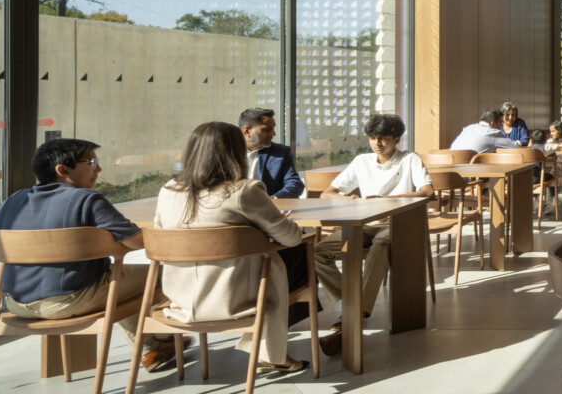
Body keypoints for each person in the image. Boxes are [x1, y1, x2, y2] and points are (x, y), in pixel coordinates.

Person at [0, 138, 176, 373]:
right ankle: (160, 341)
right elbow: (136, 241)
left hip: (16, 304)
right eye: (91, 162)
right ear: (63, 170)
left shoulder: (11, 202)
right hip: (71, 299)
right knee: (165, 275)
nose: (99, 169)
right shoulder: (86, 199)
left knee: (116, 281)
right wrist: (114, 245)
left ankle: (155, 347)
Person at [154, 121, 311, 375]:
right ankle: (271, 353)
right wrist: (279, 224)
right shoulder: (244, 191)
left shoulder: (168, 191)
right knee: (292, 256)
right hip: (237, 300)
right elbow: (291, 237)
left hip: (179, 300)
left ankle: (268, 351)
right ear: (236, 152)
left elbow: (161, 235)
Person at [314, 113, 432, 355]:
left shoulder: (409, 158)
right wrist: (348, 198)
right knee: (318, 252)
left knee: (381, 246)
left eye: (384, 139)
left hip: (397, 222)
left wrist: (386, 200)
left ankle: (357, 314)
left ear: (397, 139)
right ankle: (354, 303)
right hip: (361, 223)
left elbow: (427, 191)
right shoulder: (361, 161)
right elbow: (328, 193)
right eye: (373, 138)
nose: (377, 144)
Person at [239, 106, 305, 199]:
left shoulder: (281, 152)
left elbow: (294, 184)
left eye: (273, 128)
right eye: (266, 129)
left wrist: (274, 198)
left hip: (268, 208)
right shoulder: (226, 152)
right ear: (247, 130)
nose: (273, 133)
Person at [451, 109, 521, 154]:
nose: (502, 125)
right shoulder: (492, 132)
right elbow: (515, 148)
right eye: (501, 122)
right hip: (473, 174)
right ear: (492, 124)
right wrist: (517, 143)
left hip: (452, 173)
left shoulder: (468, 128)